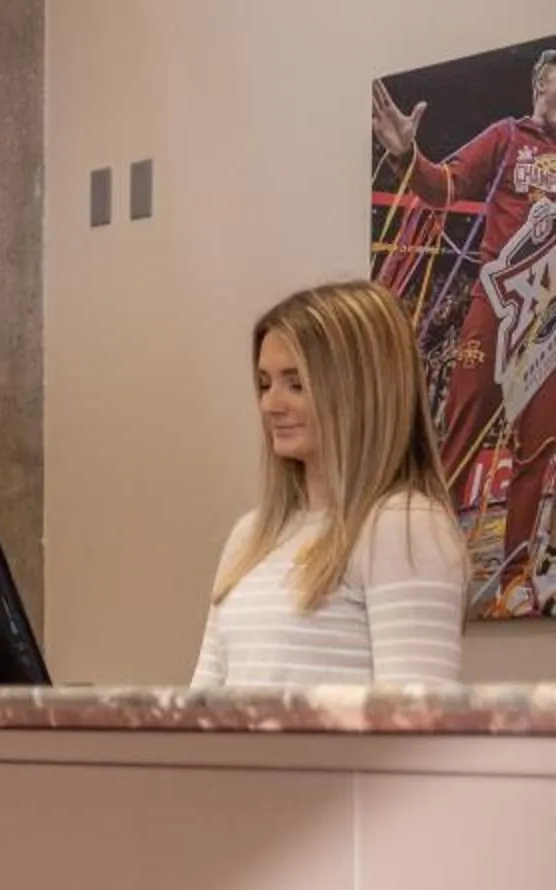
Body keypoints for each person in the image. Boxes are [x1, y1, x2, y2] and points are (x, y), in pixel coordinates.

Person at [191, 280, 467, 687]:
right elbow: (200, 707)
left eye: (296, 383)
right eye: (265, 383)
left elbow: (418, 728)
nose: (271, 404)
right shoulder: (249, 536)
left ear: (360, 391)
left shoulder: (405, 527)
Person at [371, 52, 556, 613]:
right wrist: (409, 157)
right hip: (496, 304)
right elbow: (445, 189)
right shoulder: (506, 136)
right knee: (462, 433)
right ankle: (428, 566)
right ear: (541, 84)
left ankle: (517, 577)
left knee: (537, 450)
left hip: (547, 319)